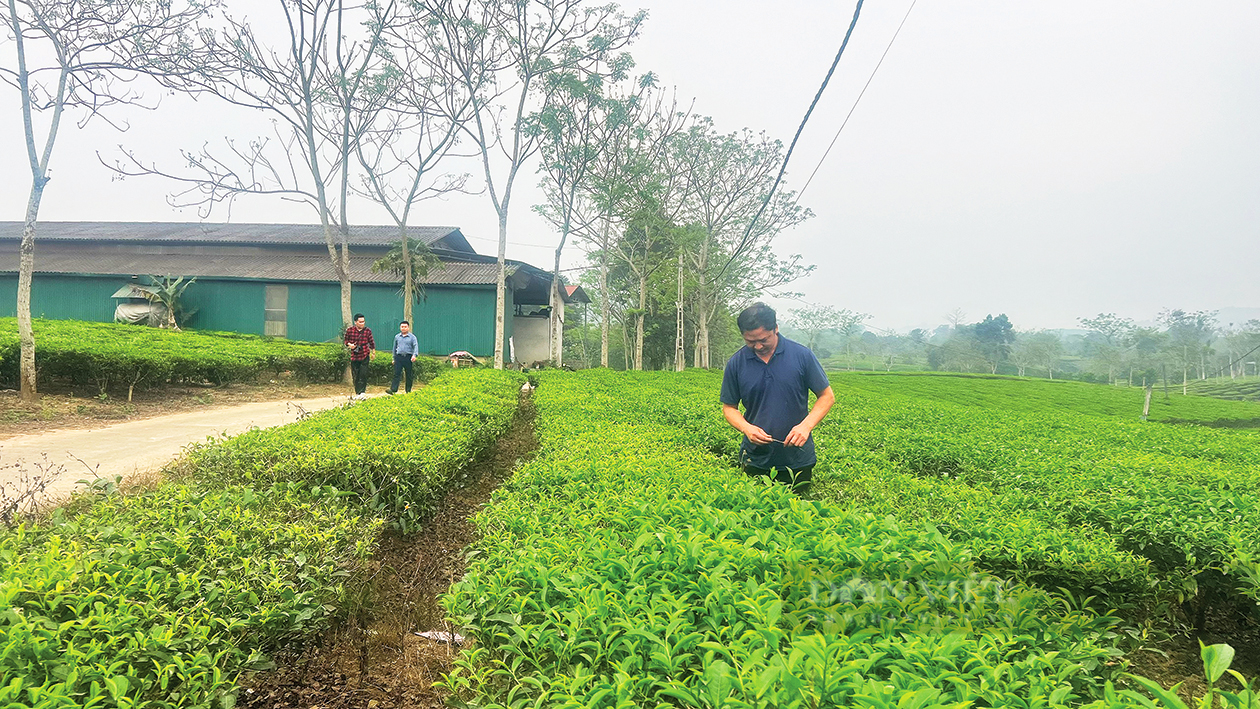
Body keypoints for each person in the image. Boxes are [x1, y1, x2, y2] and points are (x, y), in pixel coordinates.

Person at [720, 302, 835, 495]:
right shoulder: (736, 363)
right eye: (750, 341)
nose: (757, 346)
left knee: (798, 518)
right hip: (755, 459)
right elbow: (729, 408)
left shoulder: (801, 356)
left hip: (798, 459)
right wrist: (746, 427)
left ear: (776, 329)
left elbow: (827, 396)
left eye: (763, 339)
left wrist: (805, 427)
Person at [344, 313, 375, 400]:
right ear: (355, 322)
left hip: (365, 354)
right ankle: (357, 393)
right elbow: (346, 341)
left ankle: (362, 393)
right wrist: (350, 345)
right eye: (360, 322)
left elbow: (371, 342)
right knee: (356, 375)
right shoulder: (350, 330)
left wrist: (373, 352)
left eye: (363, 322)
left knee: (363, 374)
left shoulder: (367, 331)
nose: (362, 323)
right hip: (354, 355)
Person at [388, 320, 419, 394]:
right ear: (400, 327)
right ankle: (393, 389)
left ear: (408, 328)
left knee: (409, 374)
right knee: (397, 373)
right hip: (399, 357)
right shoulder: (397, 337)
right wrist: (393, 358)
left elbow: (415, 346)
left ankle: (408, 390)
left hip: (408, 357)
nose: (403, 328)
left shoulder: (412, 337)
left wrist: (414, 355)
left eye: (405, 327)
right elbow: (394, 348)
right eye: (402, 327)